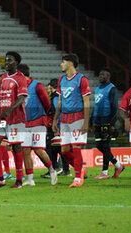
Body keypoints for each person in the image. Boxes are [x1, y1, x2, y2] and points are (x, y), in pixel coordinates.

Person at [0, 51, 27, 188]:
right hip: (2, 117)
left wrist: (9, 110)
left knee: (16, 146)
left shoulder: (21, 78)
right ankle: (0, 178)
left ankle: (19, 180)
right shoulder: (3, 78)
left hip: (16, 118)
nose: (7, 62)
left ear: (17, 63)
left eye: (10, 60)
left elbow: (21, 98)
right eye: (6, 60)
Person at [52, 53, 90, 187]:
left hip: (77, 117)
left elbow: (86, 102)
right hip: (65, 119)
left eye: (63, 62)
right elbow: (60, 102)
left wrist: (86, 122)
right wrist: (55, 120)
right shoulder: (61, 80)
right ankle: (81, 170)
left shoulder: (81, 79)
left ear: (70, 63)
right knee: (65, 151)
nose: (61, 64)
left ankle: (78, 178)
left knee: (76, 147)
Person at [17, 64, 58, 186]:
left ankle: (52, 170)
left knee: (38, 149)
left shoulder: (37, 86)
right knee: (25, 151)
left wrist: (46, 118)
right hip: (25, 124)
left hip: (38, 122)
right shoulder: (19, 88)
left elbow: (47, 103)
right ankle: (30, 179)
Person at [90, 68, 124, 179]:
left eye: (103, 74)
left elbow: (115, 108)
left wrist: (111, 124)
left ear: (108, 76)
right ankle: (118, 165)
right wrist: (91, 121)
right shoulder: (98, 88)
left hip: (106, 122)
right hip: (97, 121)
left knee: (105, 146)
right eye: (99, 74)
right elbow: (96, 106)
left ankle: (104, 172)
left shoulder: (112, 89)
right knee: (99, 146)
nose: (100, 76)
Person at [41, 78, 71, 178]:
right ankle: (64, 169)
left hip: (55, 127)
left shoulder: (55, 98)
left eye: (50, 88)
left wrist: (56, 126)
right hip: (59, 125)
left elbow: (56, 113)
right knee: (57, 148)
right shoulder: (58, 97)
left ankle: (55, 168)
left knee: (51, 148)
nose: (48, 90)